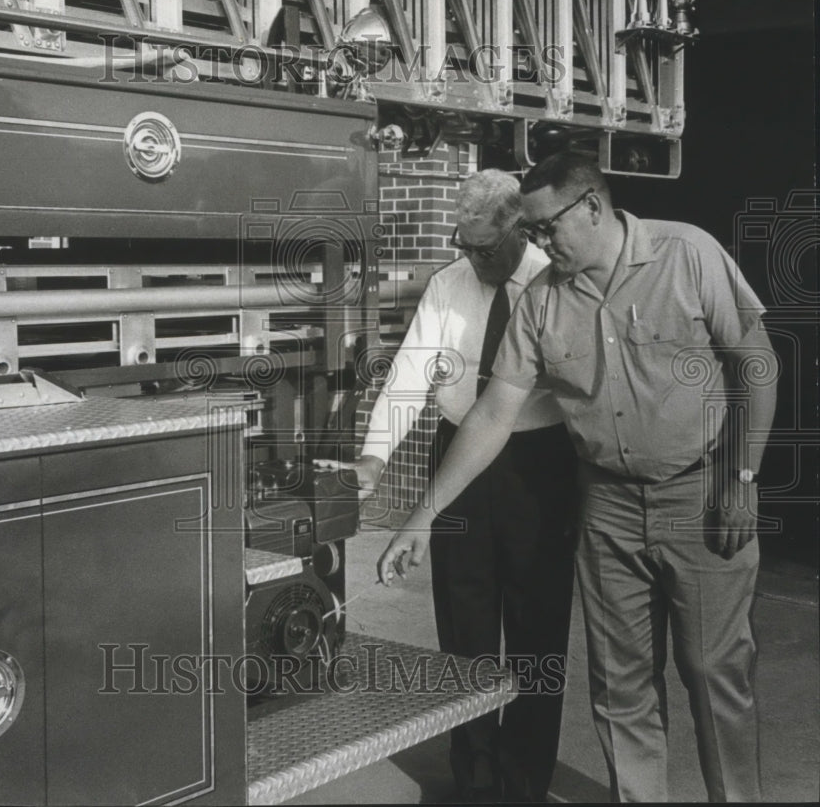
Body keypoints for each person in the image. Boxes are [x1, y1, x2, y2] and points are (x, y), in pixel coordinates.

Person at [378, 152, 777, 803]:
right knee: (620, 688)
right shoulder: (542, 302)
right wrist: (421, 517)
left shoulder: (688, 254)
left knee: (713, 673)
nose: (536, 244)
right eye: (528, 233)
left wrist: (744, 474)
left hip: (699, 494)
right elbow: (492, 414)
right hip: (607, 506)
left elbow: (756, 359)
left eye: (543, 229)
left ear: (591, 205)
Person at [323, 170, 579, 802]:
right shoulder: (447, 286)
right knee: (462, 627)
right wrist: (375, 459)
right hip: (459, 458)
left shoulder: (556, 286)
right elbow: (410, 376)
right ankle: (473, 777)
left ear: (520, 231)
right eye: (461, 244)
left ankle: (524, 782)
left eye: (483, 247)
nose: (470, 258)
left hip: (536, 465)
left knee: (535, 630)